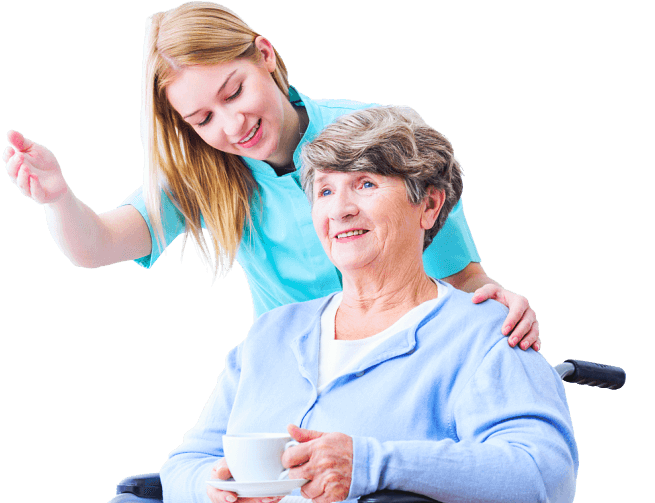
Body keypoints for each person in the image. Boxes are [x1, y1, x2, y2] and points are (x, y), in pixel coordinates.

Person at [160, 106, 577, 503]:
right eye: (324, 190)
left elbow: (542, 477)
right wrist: (216, 495)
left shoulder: (486, 332)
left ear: (430, 206)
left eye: (365, 184)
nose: (339, 209)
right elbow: (186, 467)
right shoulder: (273, 335)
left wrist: (372, 463)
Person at [4, 1, 541, 351]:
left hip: (405, 357)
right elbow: (94, 245)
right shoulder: (207, 174)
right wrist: (57, 198)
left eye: (234, 91)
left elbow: (461, 275)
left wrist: (504, 305)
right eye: (203, 119)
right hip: (297, 373)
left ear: (264, 54)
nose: (232, 125)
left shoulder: (384, 135)